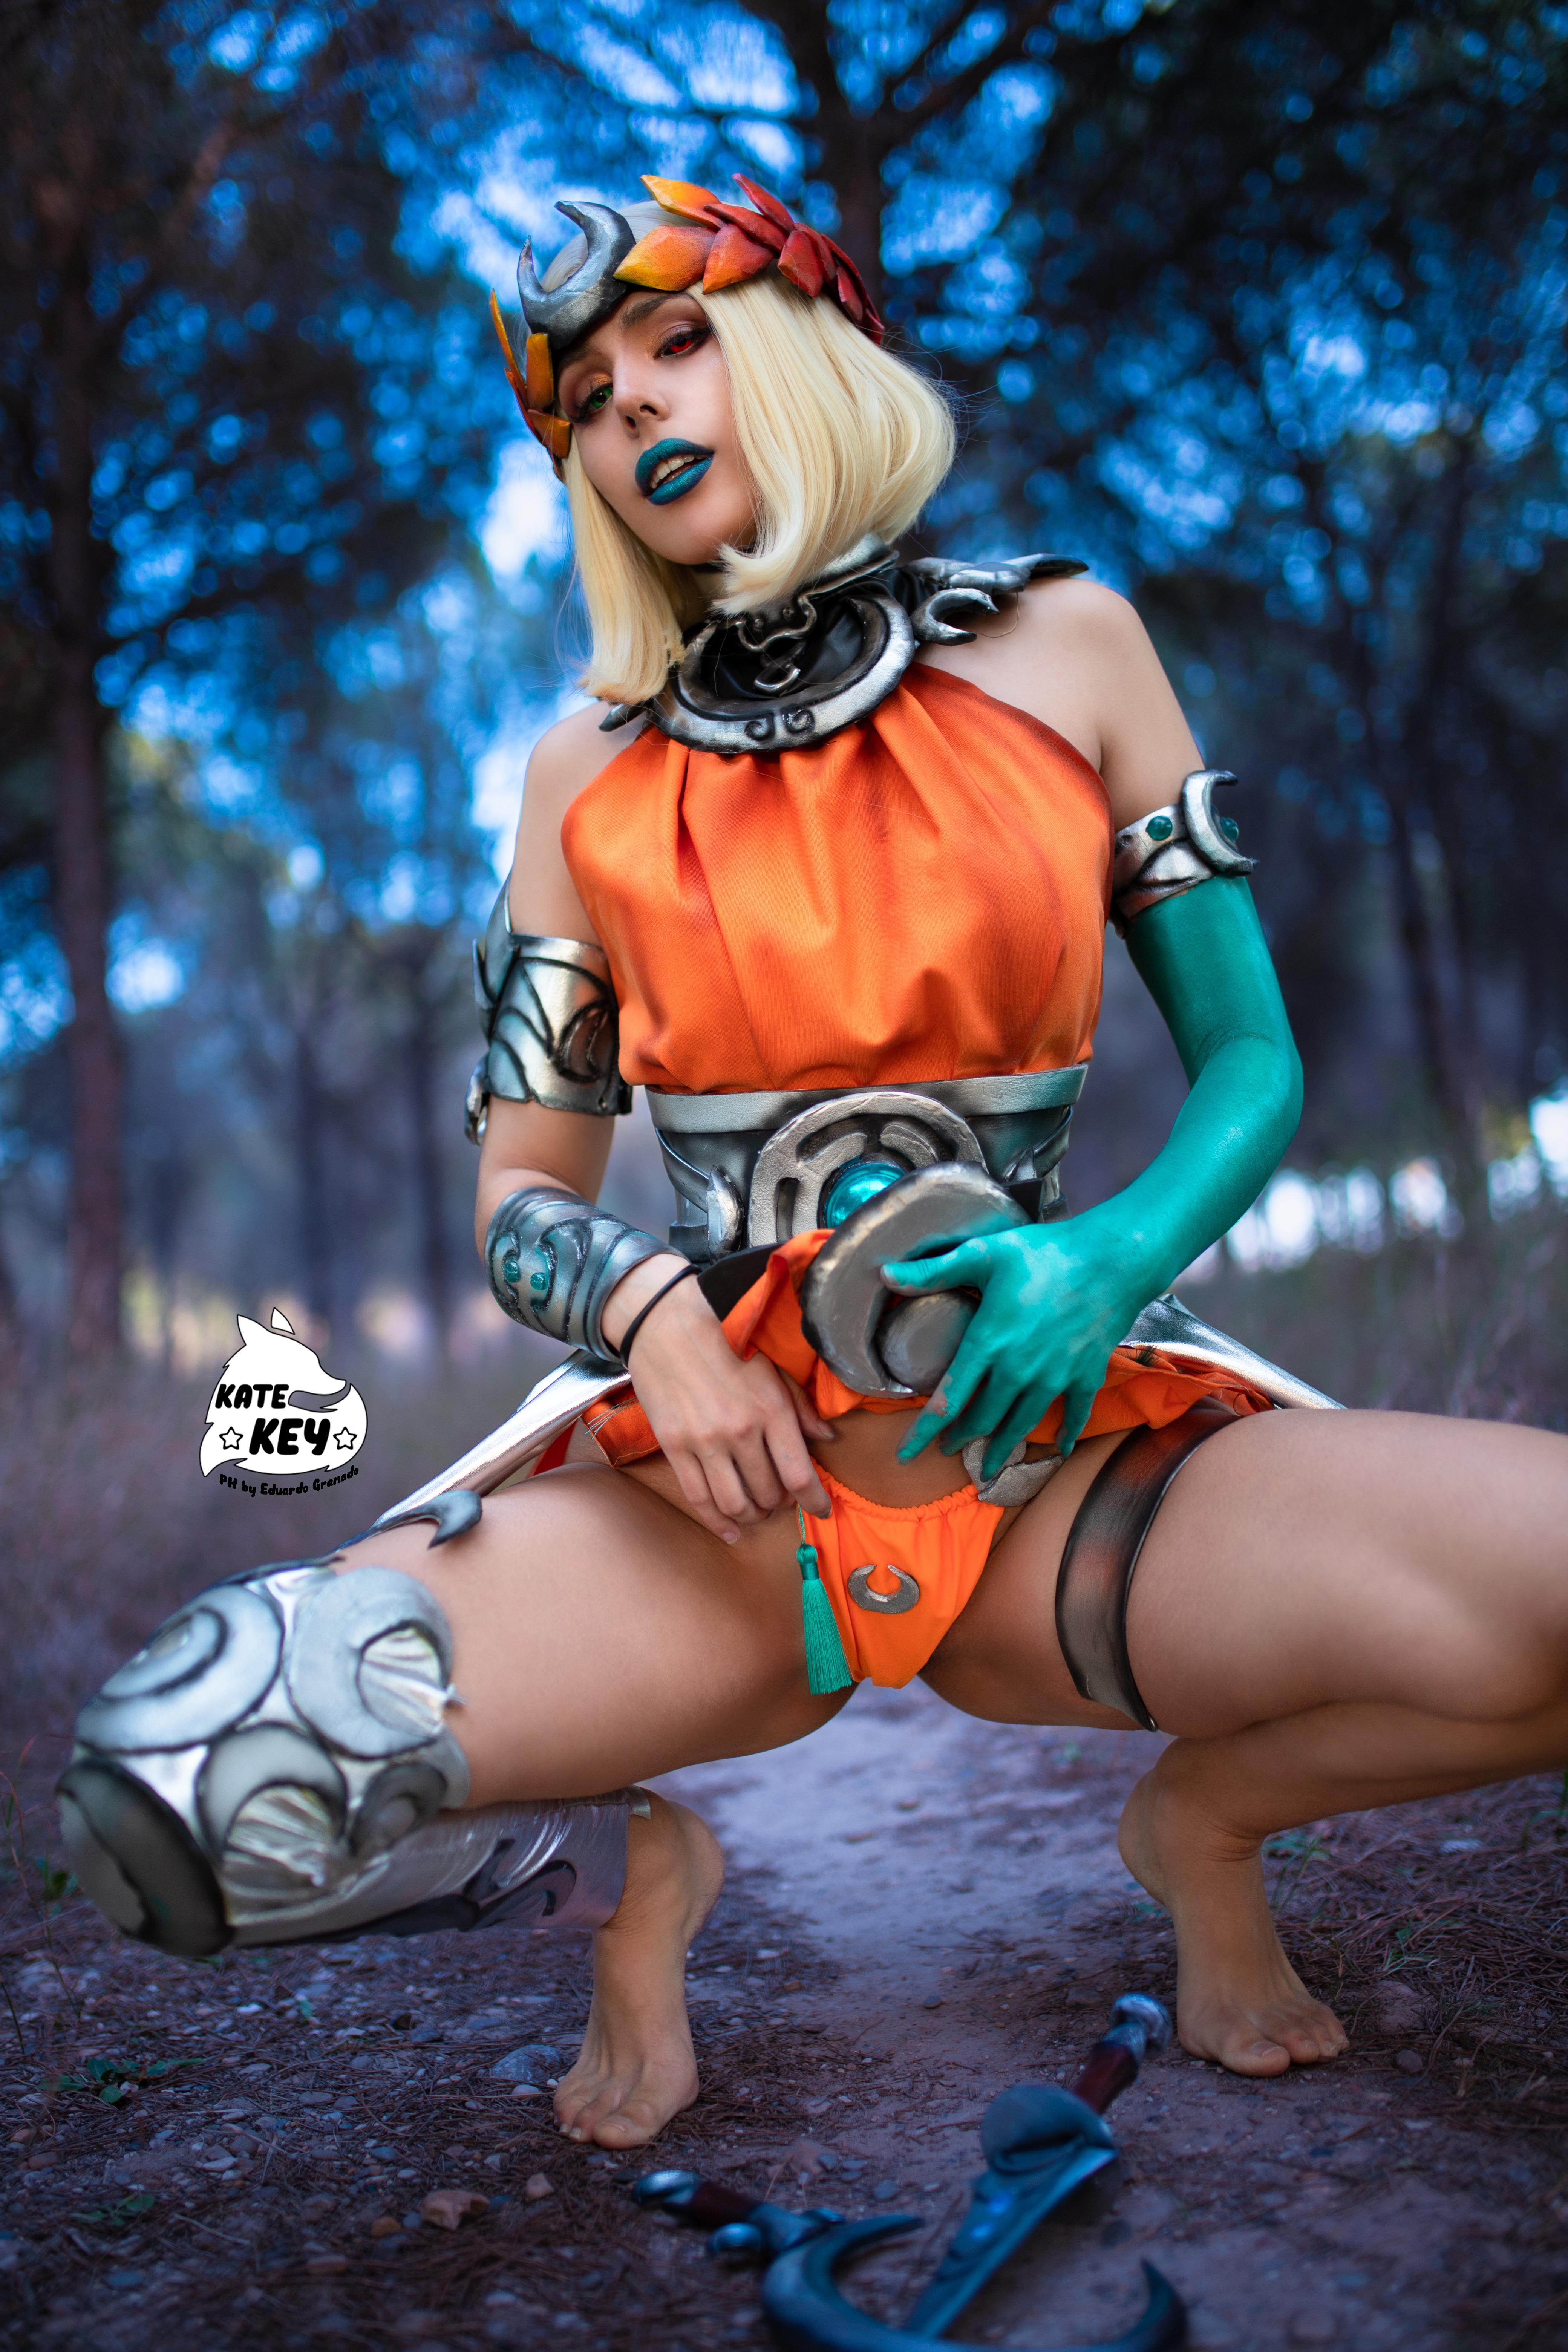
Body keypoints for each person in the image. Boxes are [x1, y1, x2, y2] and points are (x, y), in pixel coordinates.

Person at [61, 178, 1568, 2159]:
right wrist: (650, 1317)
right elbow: (517, 1197)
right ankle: (636, 1881)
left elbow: (1256, 1064)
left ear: (799, 347)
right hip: (726, 1504)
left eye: (677, 339)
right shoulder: (580, 774)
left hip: (1062, 1460)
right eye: (584, 398)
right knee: (176, 1779)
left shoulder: (1072, 640)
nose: (630, 406)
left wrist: (1107, 1261)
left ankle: (1208, 1822)